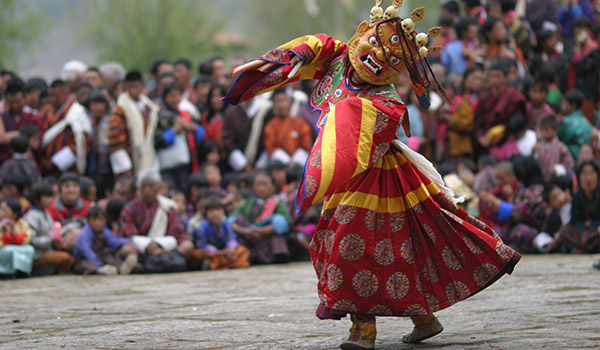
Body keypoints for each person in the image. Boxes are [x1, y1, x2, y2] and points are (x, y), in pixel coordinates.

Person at [225, 2, 521, 348]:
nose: (379, 57)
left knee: (354, 247)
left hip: (381, 178)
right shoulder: (339, 59)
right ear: (364, 33)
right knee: (395, 249)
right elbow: (317, 47)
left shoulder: (388, 102)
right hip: (348, 177)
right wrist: (287, 58)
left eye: (394, 59)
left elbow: (354, 127)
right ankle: (423, 318)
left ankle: (364, 331)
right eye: (378, 45)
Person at [118, 169, 194, 271]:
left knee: (188, 245)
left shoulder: (167, 206)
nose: (147, 190)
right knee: (126, 249)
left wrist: (159, 246)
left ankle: (152, 264)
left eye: (151, 186)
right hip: (142, 248)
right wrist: (148, 246)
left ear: (158, 188)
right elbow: (129, 233)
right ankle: (152, 263)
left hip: (165, 248)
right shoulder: (130, 208)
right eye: (144, 186)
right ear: (139, 189)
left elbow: (177, 231)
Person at [229, 171, 292, 264]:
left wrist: (262, 231)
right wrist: (246, 231)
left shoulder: (277, 202)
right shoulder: (248, 203)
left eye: (265, 184)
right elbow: (231, 219)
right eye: (258, 184)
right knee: (239, 219)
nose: (261, 188)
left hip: (267, 235)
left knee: (278, 224)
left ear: (272, 187)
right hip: (249, 235)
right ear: (253, 187)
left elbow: (286, 220)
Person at [107, 71, 160, 176]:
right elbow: (116, 140)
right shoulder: (120, 108)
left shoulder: (150, 107)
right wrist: (125, 168)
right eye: (129, 87)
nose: (133, 90)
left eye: (136, 87)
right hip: (130, 160)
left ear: (142, 87)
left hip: (149, 158)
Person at [154, 83, 205, 190]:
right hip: (168, 165)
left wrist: (192, 127)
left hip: (187, 162)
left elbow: (201, 133)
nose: (175, 99)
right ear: (165, 98)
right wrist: (175, 129)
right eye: (172, 96)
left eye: (178, 95)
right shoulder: (160, 116)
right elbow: (158, 141)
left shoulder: (186, 114)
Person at [474, 62, 527, 159]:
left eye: (498, 76)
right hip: (486, 141)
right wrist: (480, 137)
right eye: (492, 76)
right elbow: (478, 122)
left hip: (507, 141)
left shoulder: (513, 96)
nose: (495, 80)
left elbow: (518, 121)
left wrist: (501, 138)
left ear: (505, 78)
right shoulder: (484, 98)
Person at [40, 79, 91, 175]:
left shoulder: (78, 112)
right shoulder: (47, 111)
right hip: (45, 167)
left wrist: (55, 162)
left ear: (66, 93)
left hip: (69, 169)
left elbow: (82, 142)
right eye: (50, 96)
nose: (52, 99)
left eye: (55, 96)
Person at [23, 183, 74, 275]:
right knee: (64, 258)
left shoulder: (46, 213)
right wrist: (51, 239)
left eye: (52, 196)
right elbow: (31, 240)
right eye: (47, 197)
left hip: (48, 250)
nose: (51, 200)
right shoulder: (32, 216)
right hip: (38, 254)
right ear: (37, 199)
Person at [73, 206, 138, 275]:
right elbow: (87, 252)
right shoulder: (84, 234)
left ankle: (121, 268)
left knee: (110, 256)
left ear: (105, 221)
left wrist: (129, 241)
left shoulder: (105, 232)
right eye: (94, 220)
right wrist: (100, 265)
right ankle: (101, 270)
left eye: (100, 219)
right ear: (88, 221)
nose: (97, 223)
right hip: (86, 259)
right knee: (85, 265)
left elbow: (114, 241)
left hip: (101, 256)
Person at [189, 196, 250, 270]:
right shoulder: (201, 227)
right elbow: (202, 245)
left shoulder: (225, 224)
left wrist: (230, 249)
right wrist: (221, 252)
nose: (215, 214)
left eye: (218, 210)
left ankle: (220, 264)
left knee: (243, 250)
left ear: (222, 211)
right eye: (212, 211)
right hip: (214, 253)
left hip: (225, 253)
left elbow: (231, 239)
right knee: (198, 254)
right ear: (206, 213)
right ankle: (225, 264)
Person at [557, 161, 600, 254]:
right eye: (584, 174)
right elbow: (574, 220)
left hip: (596, 230)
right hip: (583, 230)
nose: (588, 178)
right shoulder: (577, 195)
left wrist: (592, 224)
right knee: (564, 230)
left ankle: (583, 247)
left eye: (592, 174)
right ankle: (586, 246)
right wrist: (586, 226)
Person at [263, 89, 313, 166]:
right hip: (280, 165)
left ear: (289, 102)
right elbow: (271, 148)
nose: (282, 105)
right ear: (274, 105)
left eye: (284, 101)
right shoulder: (270, 126)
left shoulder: (300, 123)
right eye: (279, 101)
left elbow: (307, 146)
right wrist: (287, 161)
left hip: (298, 164)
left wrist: (295, 161)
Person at [0, 77, 42, 165]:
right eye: (11, 103)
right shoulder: (2, 117)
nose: (15, 106)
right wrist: (25, 135)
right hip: (4, 167)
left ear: (25, 98)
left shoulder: (34, 118)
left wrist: (8, 136)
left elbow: (36, 143)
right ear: (6, 100)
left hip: (29, 167)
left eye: (18, 102)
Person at [533, 115, 574, 184]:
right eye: (542, 130)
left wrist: (558, 169)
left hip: (556, 182)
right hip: (541, 181)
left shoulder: (561, 147)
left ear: (555, 129)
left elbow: (569, 164)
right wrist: (533, 152)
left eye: (546, 130)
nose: (544, 133)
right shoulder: (538, 146)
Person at [0, 198, 34, 276]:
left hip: (18, 247)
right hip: (3, 249)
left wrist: (13, 232)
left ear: (15, 213)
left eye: (4, 210)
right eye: (1, 210)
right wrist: (7, 234)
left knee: (30, 249)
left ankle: (22, 271)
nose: (1, 213)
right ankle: (5, 272)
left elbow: (26, 240)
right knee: (8, 250)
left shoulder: (22, 223)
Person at [557, 89, 593, 160]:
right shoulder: (587, 122)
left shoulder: (566, 122)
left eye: (564, 103)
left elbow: (559, 141)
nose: (562, 106)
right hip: (585, 159)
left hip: (571, 159)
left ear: (573, 106)